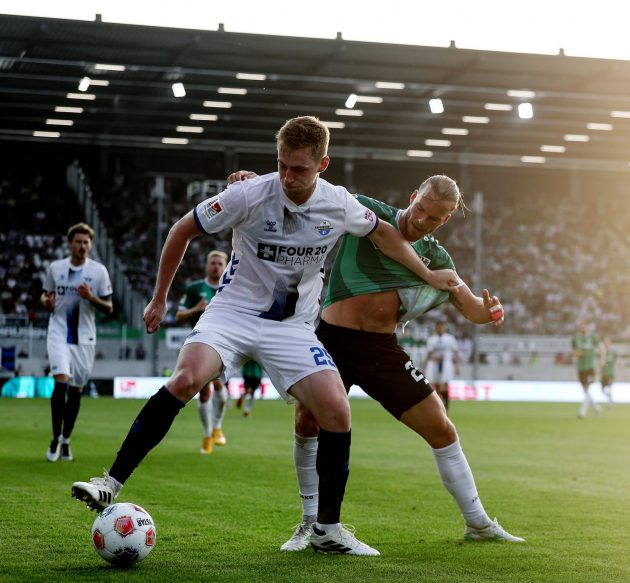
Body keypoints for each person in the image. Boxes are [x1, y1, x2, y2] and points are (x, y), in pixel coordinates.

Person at [71, 116, 458, 557]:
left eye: (299, 169)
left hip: (292, 328)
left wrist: (426, 273)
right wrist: (159, 298)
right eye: (282, 165)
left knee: (336, 410)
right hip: (232, 313)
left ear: (323, 164)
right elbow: (183, 229)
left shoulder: (340, 203)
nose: (288, 177)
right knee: (185, 379)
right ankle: (110, 483)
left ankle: (327, 530)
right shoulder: (249, 193)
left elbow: (385, 233)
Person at [227, 169, 523, 551]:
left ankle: (478, 522)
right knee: (307, 419)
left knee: (442, 428)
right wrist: (258, 184)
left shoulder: (436, 256)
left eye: (434, 218)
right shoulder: (366, 211)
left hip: (381, 352)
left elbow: (471, 309)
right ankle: (309, 523)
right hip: (333, 340)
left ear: (446, 219)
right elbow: (311, 195)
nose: (421, 220)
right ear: (414, 194)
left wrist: (492, 312)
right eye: (420, 209)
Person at [41, 222, 113, 462]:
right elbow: (46, 294)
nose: (82, 246)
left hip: (85, 336)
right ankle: (54, 438)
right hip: (59, 332)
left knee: (76, 390)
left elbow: (109, 307)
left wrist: (90, 297)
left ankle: (66, 440)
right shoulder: (55, 268)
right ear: (70, 243)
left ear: (90, 245)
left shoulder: (98, 272)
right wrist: (47, 302)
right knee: (60, 381)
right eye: (78, 242)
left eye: (86, 242)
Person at [175, 250, 229, 454]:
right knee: (205, 392)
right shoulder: (194, 288)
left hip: (226, 344)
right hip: (202, 344)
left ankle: (217, 427)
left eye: (220, 263)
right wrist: (197, 309)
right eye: (213, 263)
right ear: (207, 266)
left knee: (222, 394)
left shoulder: (231, 287)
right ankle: (208, 434)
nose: (216, 266)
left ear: (226, 266)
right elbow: (179, 316)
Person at [425, 321, 460, 411]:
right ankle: (439, 406)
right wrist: (433, 358)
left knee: (444, 384)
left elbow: (456, 353)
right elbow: (429, 354)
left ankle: (446, 407)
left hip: (446, 364)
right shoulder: (432, 339)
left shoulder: (450, 338)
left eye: (441, 327)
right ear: (436, 328)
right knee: (436, 386)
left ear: (444, 328)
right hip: (435, 364)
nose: (440, 329)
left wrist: (457, 366)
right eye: (438, 327)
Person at [572, 320, 600, 419]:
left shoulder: (592, 337)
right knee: (585, 390)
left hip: (590, 367)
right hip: (580, 367)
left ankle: (582, 412)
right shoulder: (576, 338)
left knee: (587, 388)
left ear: (587, 327)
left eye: (583, 326)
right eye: (580, 326)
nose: (582, 328)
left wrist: (601, 361)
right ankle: (596, 407)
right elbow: (574, 351)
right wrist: (576, 354)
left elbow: (600, 348)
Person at [598, 335, 618, 409]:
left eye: (607, 341)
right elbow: (601, 363)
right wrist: (599, 370)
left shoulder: (613, 352)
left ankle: (609, 403)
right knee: (602, 390)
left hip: (610, 373)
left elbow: (618, 361)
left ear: (610, 342)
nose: (606, 342)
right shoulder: (602, 351)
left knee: (609, 387)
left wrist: (624, 372)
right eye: (605, 341)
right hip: (604, 373)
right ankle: (610, 399)